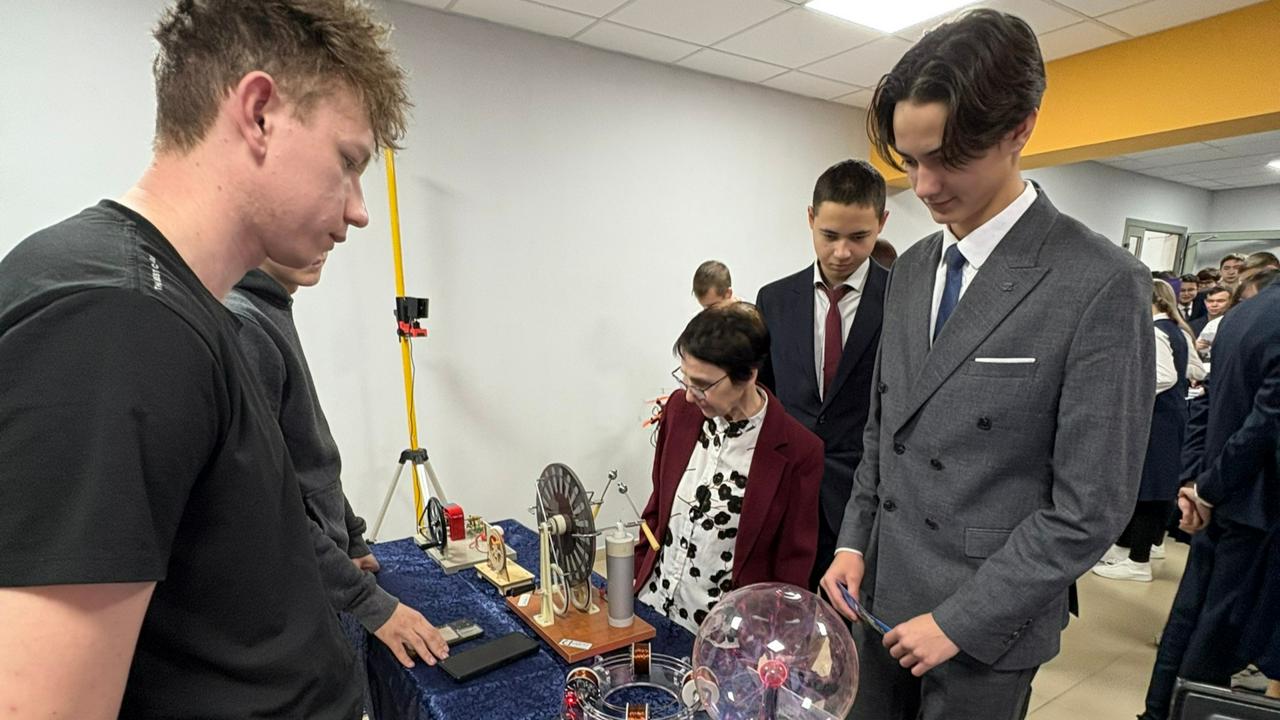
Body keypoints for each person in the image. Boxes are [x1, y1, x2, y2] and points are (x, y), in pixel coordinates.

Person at [0, 2, 412, 718]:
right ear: (259, 114)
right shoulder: (117, 317)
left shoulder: (176, 306)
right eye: (347, 163)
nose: (359, 209)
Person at [819, 10, 1154, 719]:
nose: (925, 185)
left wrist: (959, 621)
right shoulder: (911, 269)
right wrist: (852, 544)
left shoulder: (1099, 281)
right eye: (910, 161)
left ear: (1019, 129)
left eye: (947, 158)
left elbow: (1090, 507)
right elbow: (883, 430)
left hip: (988, 624)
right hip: (879, 593)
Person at [225, 257, 448, 672]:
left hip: (323, 579)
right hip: (298, 603)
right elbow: (271, 508)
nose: (345, 228)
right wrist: (368, 602)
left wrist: (353, 539)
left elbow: (310, 461)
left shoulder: (271, 307)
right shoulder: (245, 324)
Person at [635, 303, 823, 633]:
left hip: (724, 636)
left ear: (748, 375)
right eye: (685, 379)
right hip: (650, 607)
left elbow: (792, 569)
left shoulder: (799, 451)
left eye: (702, 385)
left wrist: (775, 642)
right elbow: (656, 511)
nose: (690, 395)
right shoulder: (679, 411)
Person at [1139, 279, 1280, 720]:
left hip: (1223, 495)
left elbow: (1207, 400)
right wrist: (1208, 487)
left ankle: (1158, 710)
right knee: (1217, 636)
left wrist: (1197, 483)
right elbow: (1266, 422)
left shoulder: (1245, 312)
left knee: (1190, 620)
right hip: (1258, 503)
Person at [756, 158, 889, 591]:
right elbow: (765, 396)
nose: (842, 252)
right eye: (829, 235)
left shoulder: (902, 298)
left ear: (882, 223)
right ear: (811, 218)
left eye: (859, 237)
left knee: (851, 619)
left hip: (864, 500)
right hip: (788, 493)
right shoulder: (774, 299)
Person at [1093, 280, 1193, 582]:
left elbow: (1165, 375)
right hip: (1172, 415)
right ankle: (1135, 546)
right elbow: (1195, 370)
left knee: (1149, 488)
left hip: (1157, 418)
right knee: (1155, 485)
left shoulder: (1155, 330)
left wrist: (1127, 392)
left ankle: (1138, 561)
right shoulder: (1178, 331)